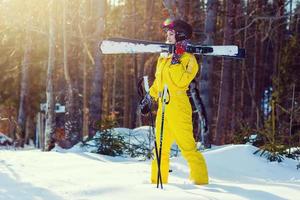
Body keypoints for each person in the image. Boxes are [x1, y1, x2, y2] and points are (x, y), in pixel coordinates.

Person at [141, 18, 209, 185]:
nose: (167, 36)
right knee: (159, 149)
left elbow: (180, 81)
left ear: (180, 36)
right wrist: (150, 97)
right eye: (167, 33)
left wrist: (177, 60)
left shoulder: (189, 59)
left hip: (179, 107)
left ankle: (201, 182)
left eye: (171, 34)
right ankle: (157, 182)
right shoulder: (164, 57)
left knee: (188, 148)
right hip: (163, 108)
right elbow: (159, 81)